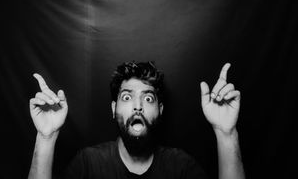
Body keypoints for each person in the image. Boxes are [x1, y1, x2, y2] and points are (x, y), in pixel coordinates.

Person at [28, 61, 245, 179]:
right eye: (127, 97)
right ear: (114, 109)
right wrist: (45, 138)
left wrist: (226, 135)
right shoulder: (88, 164)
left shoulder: (180, 167)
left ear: (160, 110)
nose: (138, 105)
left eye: (148, 98)